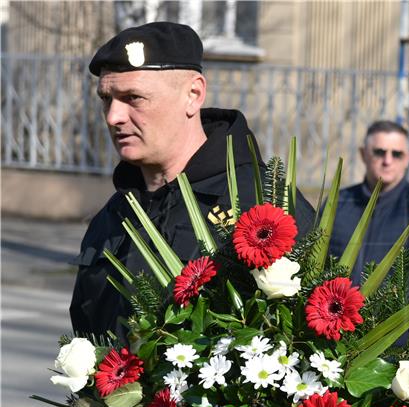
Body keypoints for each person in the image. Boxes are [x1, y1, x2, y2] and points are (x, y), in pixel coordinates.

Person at [70, 22, 314, 339]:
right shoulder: (114, 215)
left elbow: (313, 343)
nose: (114, 116)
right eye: (107, 98)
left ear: (193, 94)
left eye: (133, 98)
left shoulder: (260, 203)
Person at [328, 120, 409, 298]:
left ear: (407, 159)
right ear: (363, 154)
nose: (387, 161)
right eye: (379, 152)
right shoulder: (337, 203)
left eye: (396, 154)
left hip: (391, 322)